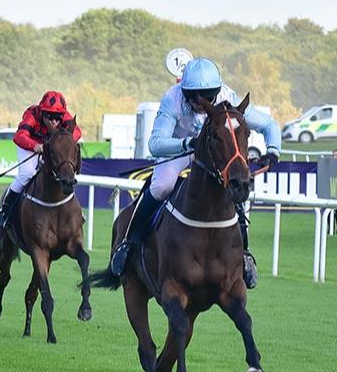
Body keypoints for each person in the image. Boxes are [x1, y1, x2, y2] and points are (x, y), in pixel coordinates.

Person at [110, 57, 281, 289]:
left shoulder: (228, 98)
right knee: (162, 186)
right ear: (185, 93)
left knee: (233, 192)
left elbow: (270, 125)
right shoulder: (172, 99)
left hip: (213, 152)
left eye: (207, 98)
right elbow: (155, 143)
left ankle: (245, 255)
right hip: (181, 148)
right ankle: (130, 243)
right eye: (194, 99)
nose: (201, 104)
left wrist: (273, 150)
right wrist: (188, 143)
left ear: (216, 92)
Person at [0, 90, 82, 228]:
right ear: (42, 112)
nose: (54, 121)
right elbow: (19, 136)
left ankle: (74, 213)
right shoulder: (32, 114)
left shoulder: (65, 117)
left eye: (57, 117)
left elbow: (77, 132)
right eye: (50, 116)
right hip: (29, 146)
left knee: (65, 172)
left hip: (50, 148)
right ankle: (5, 211)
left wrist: (62, 142)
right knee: (27, 173)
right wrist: (35, 146)